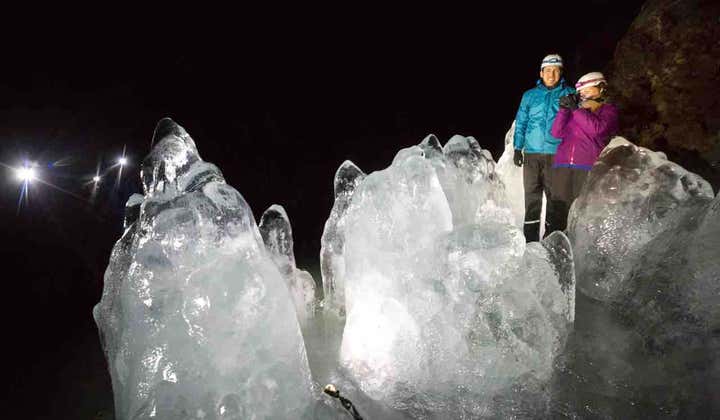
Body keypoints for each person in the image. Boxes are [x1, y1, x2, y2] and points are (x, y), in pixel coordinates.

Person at [513, 54, 575, 242]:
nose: (551, 74)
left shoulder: (570, 93)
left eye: (555, 70)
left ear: (561, 73)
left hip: (557, 155)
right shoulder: (529, 96)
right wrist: (517, 148)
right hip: (532, 154)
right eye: (547, 70)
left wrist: (576, 108)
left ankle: (551, 243)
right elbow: (521, 122)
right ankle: (530, 241)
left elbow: (579, 124)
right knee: (532, 199)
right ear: (541, 73)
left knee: (555, 201)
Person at [550, 71, 619, 232]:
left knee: (581, 212)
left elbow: (597, 129)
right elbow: (556, 133)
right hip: (563, 165)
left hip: (587, 166)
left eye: (587, 90)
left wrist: (575, 110)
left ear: (601, 88)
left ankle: (578, 244)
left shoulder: (609, 111)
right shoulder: (577, 111)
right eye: (581, 92)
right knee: (558, 212)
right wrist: (563, 110)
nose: (583, 95)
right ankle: (554, 243)